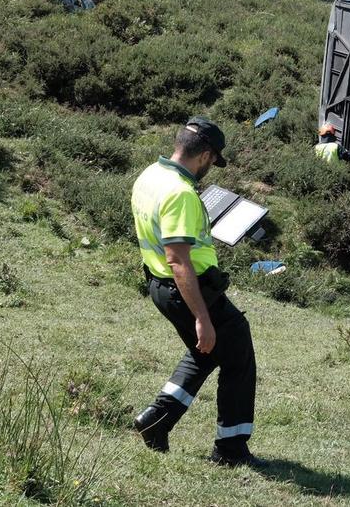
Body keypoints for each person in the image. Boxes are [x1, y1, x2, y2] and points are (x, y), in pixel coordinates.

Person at [130, 117, 265, 468]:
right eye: (213, 161)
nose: (211, 168)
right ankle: (231, 450)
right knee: (237, 353)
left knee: (204, 353)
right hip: (189, 291)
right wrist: (202, 317)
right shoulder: (181, 194)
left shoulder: (151, 176)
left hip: (159, 285)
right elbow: (178, 260)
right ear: (205, 155)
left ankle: (156, 422)